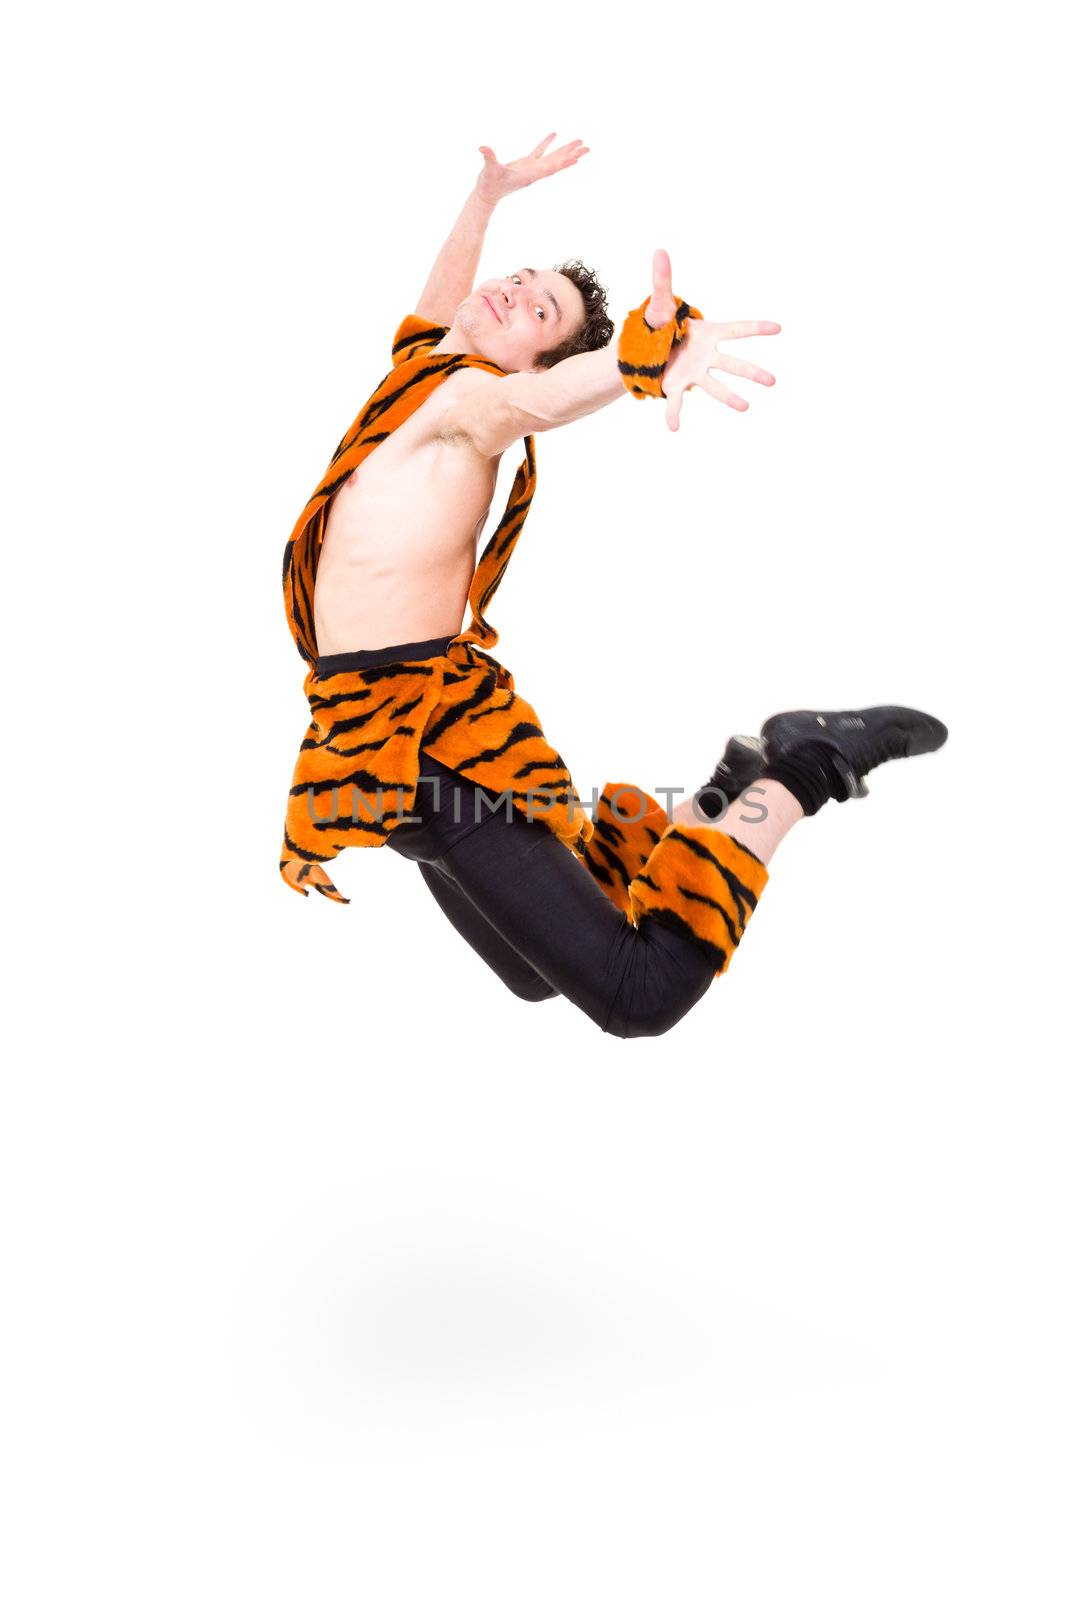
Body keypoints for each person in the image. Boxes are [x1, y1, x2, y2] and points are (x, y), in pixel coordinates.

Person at [279, 133, 947, 1038]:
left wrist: (642, 359)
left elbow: (540, 401)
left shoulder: (467, 406)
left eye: (537, 311)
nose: (510, 292)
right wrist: (486, 199)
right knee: (531, 977)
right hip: (365, 738)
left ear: (532, 358)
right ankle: (724, 793)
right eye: (518, 280)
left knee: (638, 996)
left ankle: (800, 767)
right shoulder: (418, 373)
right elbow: (437, 305)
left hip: (429, 750)